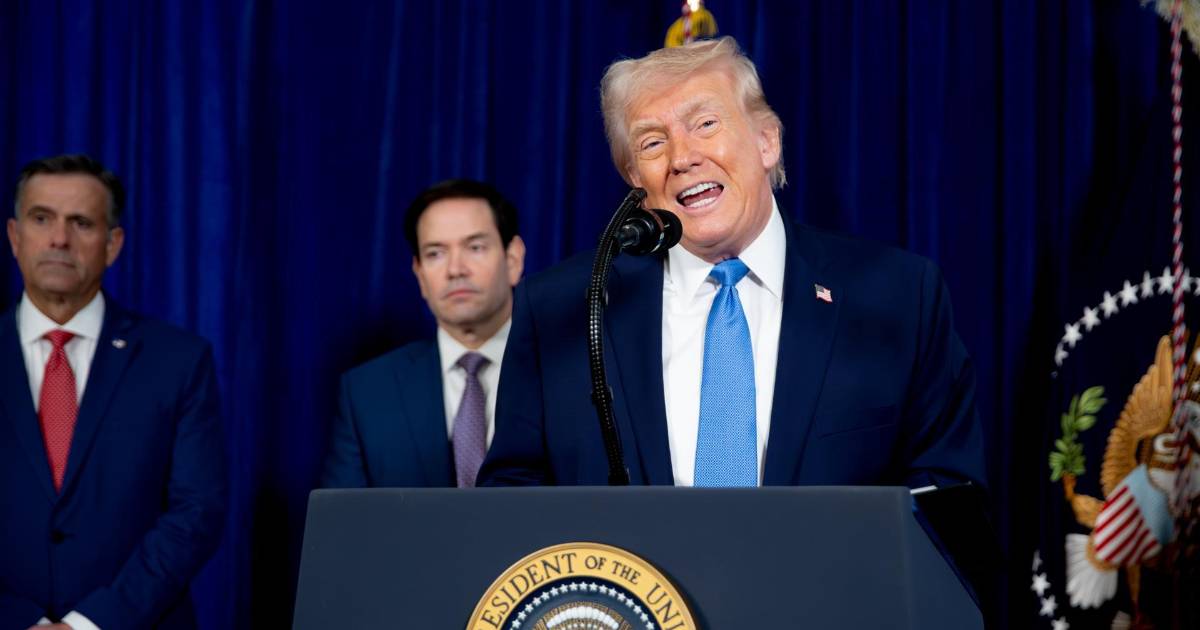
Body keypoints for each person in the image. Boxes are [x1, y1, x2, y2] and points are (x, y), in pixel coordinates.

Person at [478, 37, 986, 490]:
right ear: (635, 179)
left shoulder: (899, 298)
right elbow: (512, 497)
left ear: (767, 141)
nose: (682, 157)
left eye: (705, 124)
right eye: (653, 142)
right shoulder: (564, 310)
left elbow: (946, 495)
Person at [0, 154, 226, 629]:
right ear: (14, 237)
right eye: (41, 218)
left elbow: (195, 512)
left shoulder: (179, 361)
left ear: (113, 244)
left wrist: (89, 624)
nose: (59, 239)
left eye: (81, 222)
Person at [320, 179, 525, 488]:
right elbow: (343, 517)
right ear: (419, 273)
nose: (455, 269)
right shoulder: (366, 393)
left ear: (513, 259)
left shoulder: (567, 376)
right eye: (435, 253)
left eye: (475, 247)